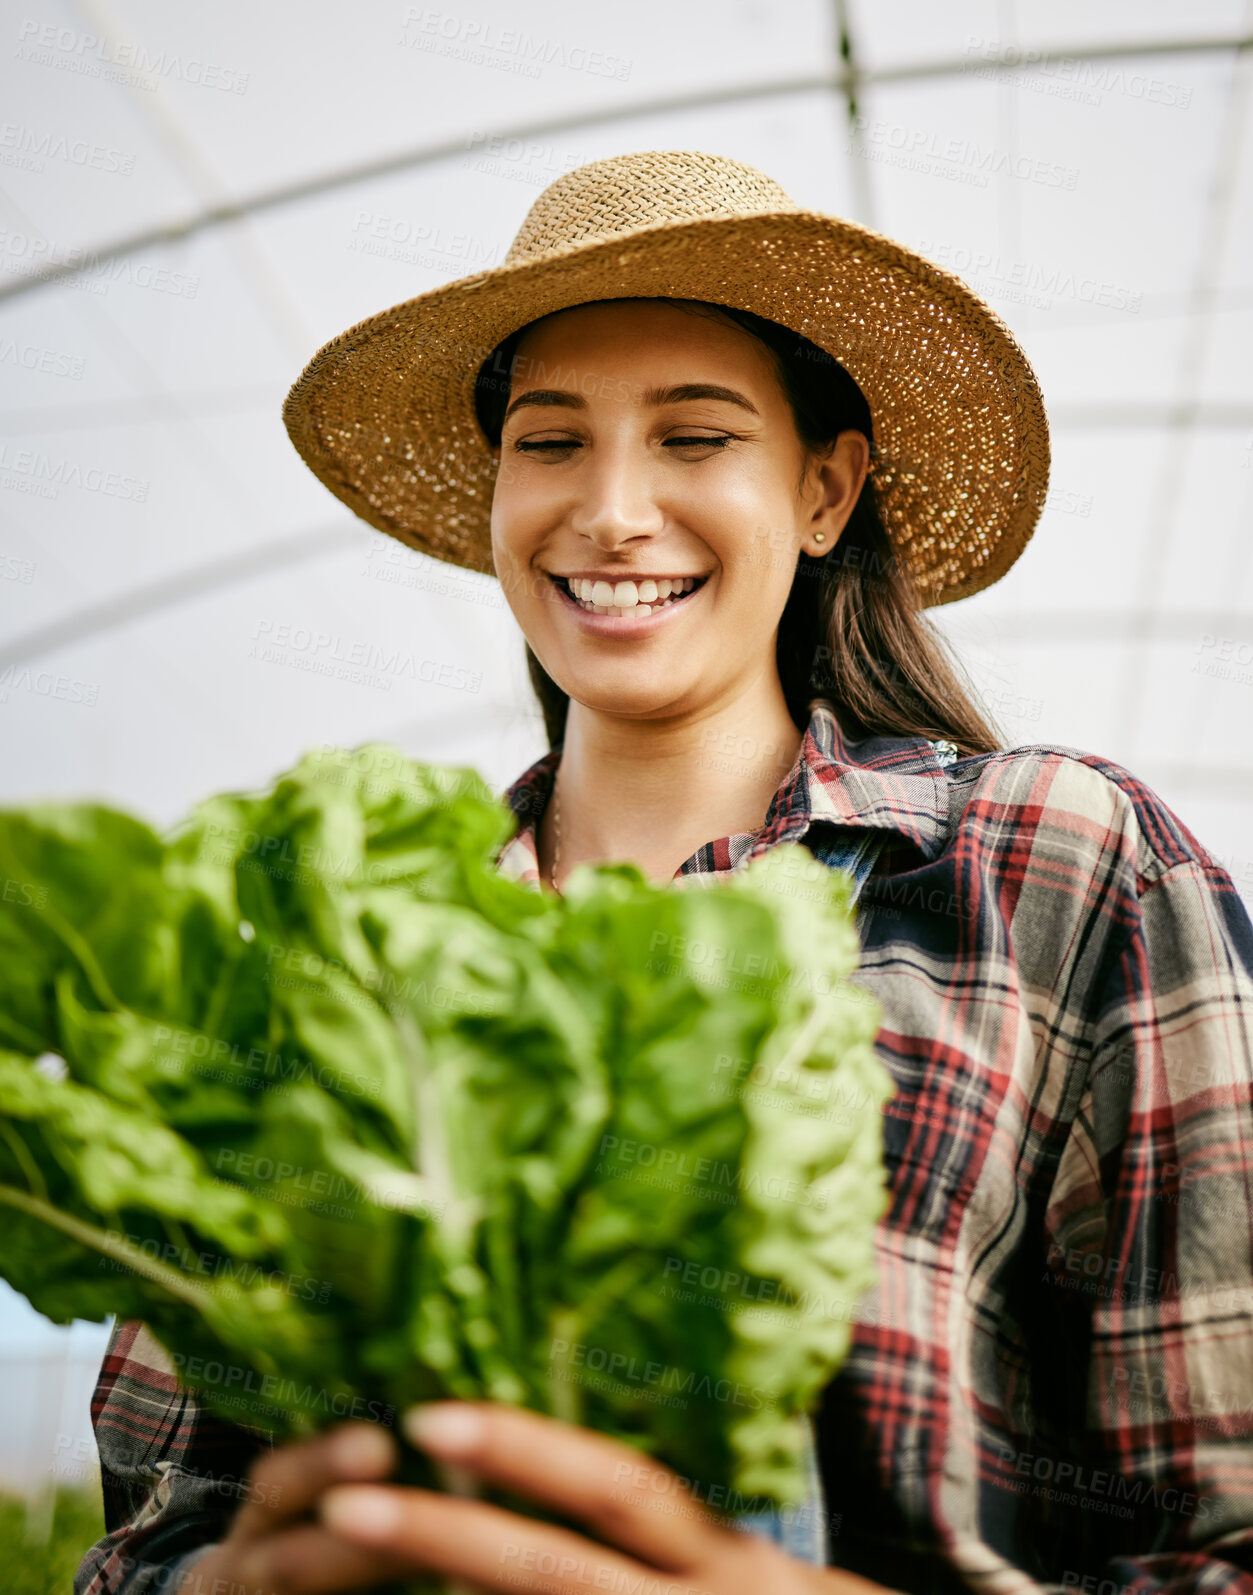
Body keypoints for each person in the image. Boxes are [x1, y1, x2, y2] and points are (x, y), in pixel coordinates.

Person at [78, 151, 1253, 1595]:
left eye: (694, 439)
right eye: (550, 441)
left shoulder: (1051, 866)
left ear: (823, 493)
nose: (613, 512)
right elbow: (152, 1526)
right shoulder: (345, 942)